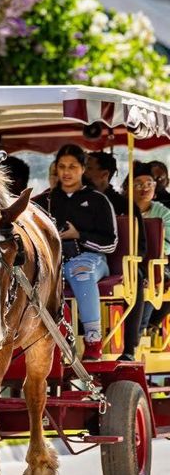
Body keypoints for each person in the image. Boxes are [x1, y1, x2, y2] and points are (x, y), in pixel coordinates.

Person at [33, 144, 117, 361]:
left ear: (82, 169)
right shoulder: (46, 201)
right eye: (61, 166)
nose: (66, 172)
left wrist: (78, 235)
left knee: (81, 271)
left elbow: (111, 243)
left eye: (72, 166)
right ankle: (48, 337)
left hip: (91, 258)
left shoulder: (98, 200)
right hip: (56, 261)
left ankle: (92, 340)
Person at [86, 151, 146, 361]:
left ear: (104, 174)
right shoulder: (80, 200)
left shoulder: (124, 205)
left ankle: (129, 347)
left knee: (136, 276)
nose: (84, 172)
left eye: (89, 168)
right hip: (88, 258)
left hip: (119, 263)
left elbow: (141, 246)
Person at [131, 162, 170, 335]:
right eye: (139, 184)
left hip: (157, 262)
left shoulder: (163, 213)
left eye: (149, 184)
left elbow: (168, 243)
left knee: (150, 280)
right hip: (130, 261)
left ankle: (142, 330)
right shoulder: (124, 210)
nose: (144, 189)